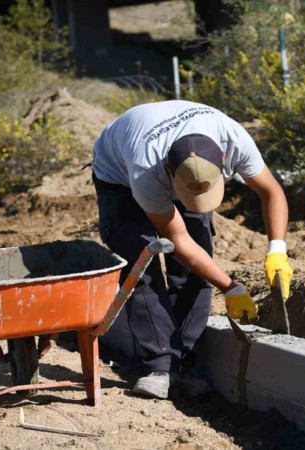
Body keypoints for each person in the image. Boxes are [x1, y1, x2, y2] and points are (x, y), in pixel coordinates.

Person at [91, 100, 293, 399]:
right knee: (141, 265)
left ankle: (185, 361)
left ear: (223, 160)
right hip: (118, 176)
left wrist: (277, 250)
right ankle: (159, 367)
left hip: (174, 159)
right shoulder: (147, 171)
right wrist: (231, 287)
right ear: (169, 173)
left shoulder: (232, 138)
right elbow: (178, 241)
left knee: (197, 266)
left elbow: (271, 191)